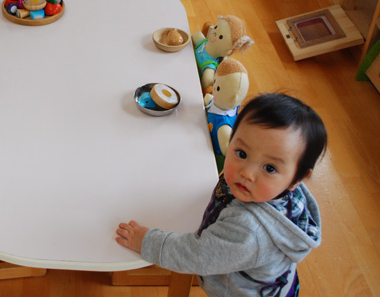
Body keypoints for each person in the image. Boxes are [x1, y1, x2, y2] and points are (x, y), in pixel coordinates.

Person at [115, 93, 327, 297]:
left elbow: (196, 255)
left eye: (269, 168)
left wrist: (147, 242)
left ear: (297, 179)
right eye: (242, 153)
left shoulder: (247, 232)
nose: (247, 173)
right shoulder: (277, 189)